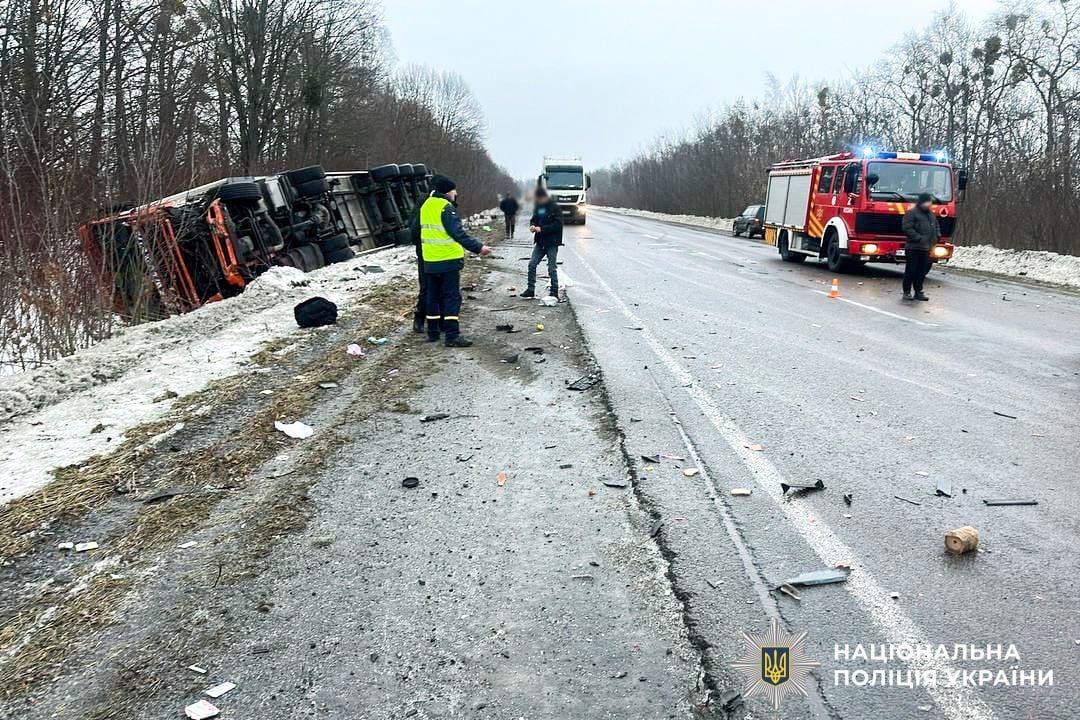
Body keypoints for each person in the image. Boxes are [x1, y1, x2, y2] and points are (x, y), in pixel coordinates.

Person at [410, 175, 492, 347]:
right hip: (447, 261)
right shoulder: (445, 207)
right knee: (451, 298)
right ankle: (452, 336)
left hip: (430, 261)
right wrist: (478, 248)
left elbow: (416, 232)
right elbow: (458, 233)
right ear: (447, 191)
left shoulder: (425, 206)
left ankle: (433, 333)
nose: (456, 193)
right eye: (454, 190)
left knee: (432, 296)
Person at [520, 187, 563, 299]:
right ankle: (530, 289)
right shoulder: (539, 207)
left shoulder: (555, 208)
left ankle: (554, 292)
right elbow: (534, 219)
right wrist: (533, 225)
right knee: (532, 264)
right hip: (540, 242)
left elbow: (557, 225)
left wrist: (542, 229)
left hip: (552, 243)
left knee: (551, 268)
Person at [900, 192, 940, 301]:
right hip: (913, 247)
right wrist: (918, 238)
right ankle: (907, 292)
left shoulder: (930, 215)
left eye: (929, 202)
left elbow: (936, 226)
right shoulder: (912, 213)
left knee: (922, 271)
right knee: (911, 270)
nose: (928, 204)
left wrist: (937, 237)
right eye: (926, 202)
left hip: (926, 248)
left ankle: (918, 291)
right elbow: (907, 228)